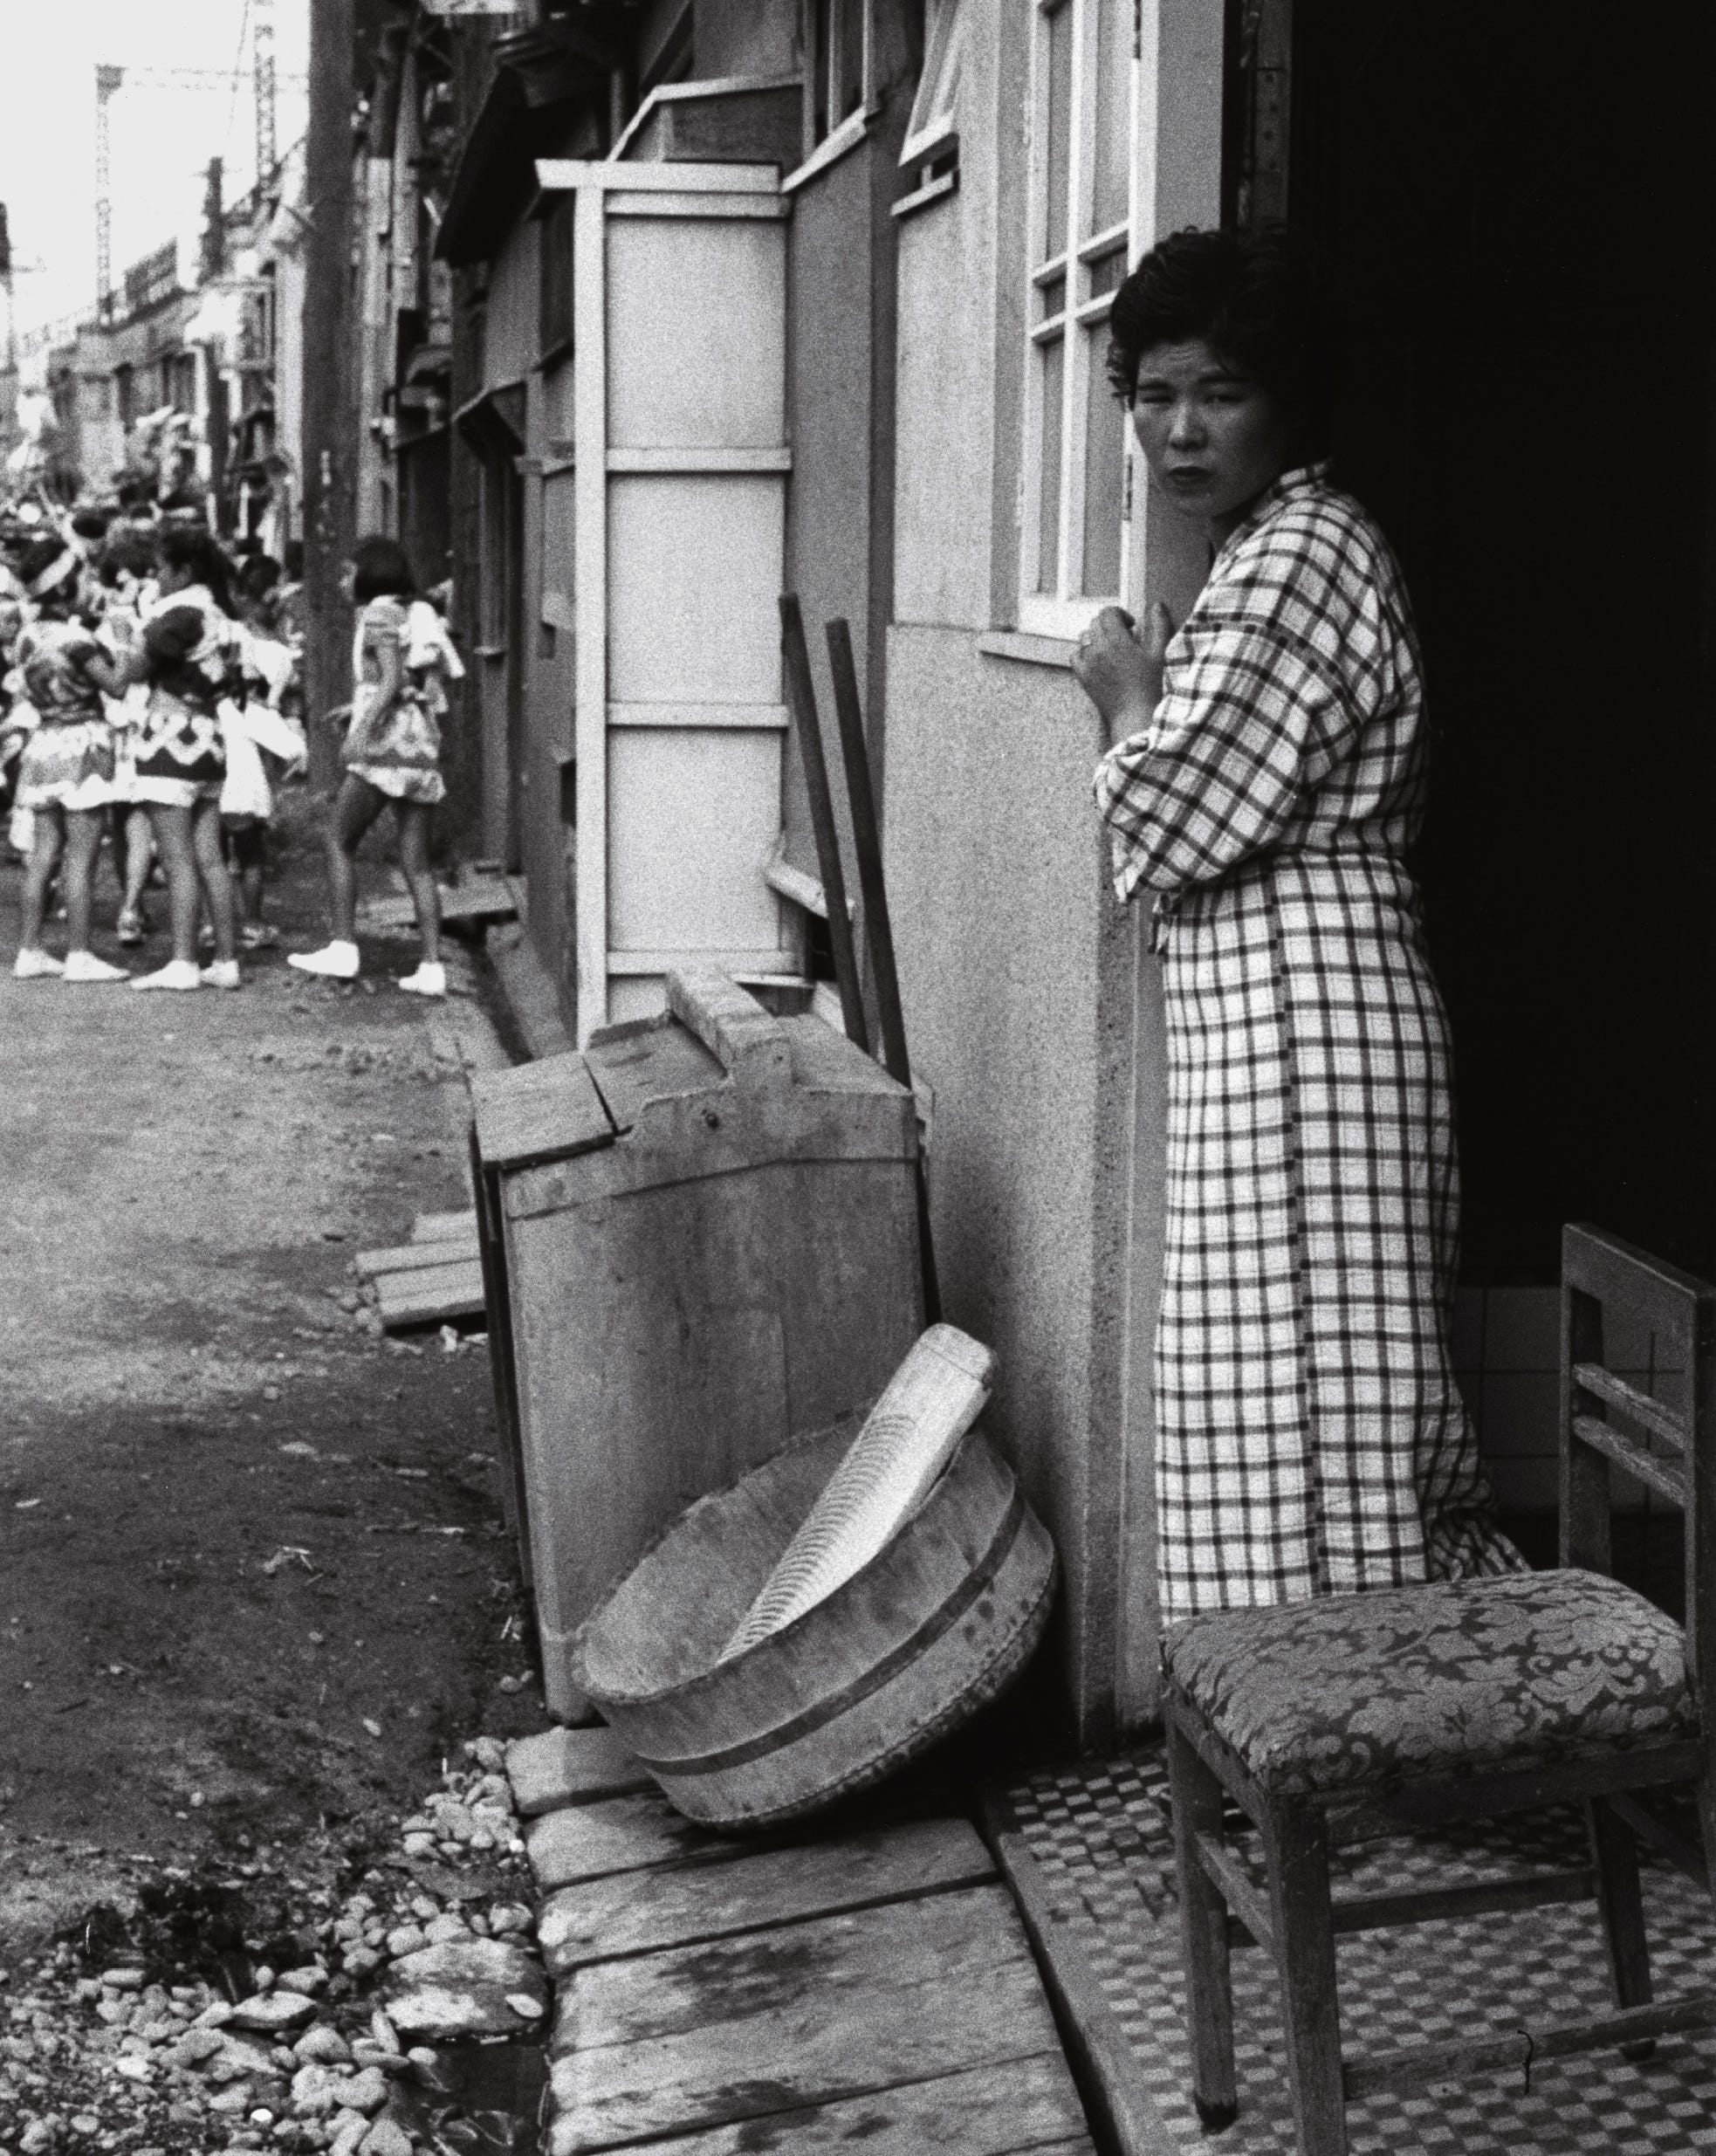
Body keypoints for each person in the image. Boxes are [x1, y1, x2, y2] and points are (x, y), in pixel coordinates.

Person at [1073, 224, 1520, 1625]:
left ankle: (1392, 1737)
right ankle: (1309, 1740)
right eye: (1152, 393)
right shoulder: (1262, 551)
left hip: (1315, 1024)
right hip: (1272, 1019)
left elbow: (1173, 815)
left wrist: (1126, 701)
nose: (1181, 428)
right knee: (1272, 1403)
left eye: (1219, 392)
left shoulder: (1300, 557)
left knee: (1333, 1414)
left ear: (1287, 400)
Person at [290, 535, 455, 998]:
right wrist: (353, 708)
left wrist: (361, 730)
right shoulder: (406, 611)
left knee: (338, 840)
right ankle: (431, 966)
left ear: (373, 572)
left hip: (384, 748)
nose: (344, 582)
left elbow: (391, 679)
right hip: (419, 747)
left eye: (349, 572)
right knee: (416, 863)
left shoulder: (380, 612)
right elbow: (400, 683)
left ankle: (343, 946)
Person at [122, 524, 244, 992]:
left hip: (170, 737)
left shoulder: (177, 615)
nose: (155, 578)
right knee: (211, 857)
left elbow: (130, 674)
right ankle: (226, 961)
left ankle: (183, 961)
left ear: (184, 570)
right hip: (209, 736)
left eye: (160, 570)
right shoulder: (218, 613)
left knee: (177, 861)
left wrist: (122, 631)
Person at [8, 536, 132, 983]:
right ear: (62, 588)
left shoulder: (26, 637)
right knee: (81, 856)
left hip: (43, 746)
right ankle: (79, 953)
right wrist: (119, 633)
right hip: (84, 747)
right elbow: (117, 684)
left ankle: (30, 949)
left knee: (43, 855)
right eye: (80, 577)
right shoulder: (78, 640)